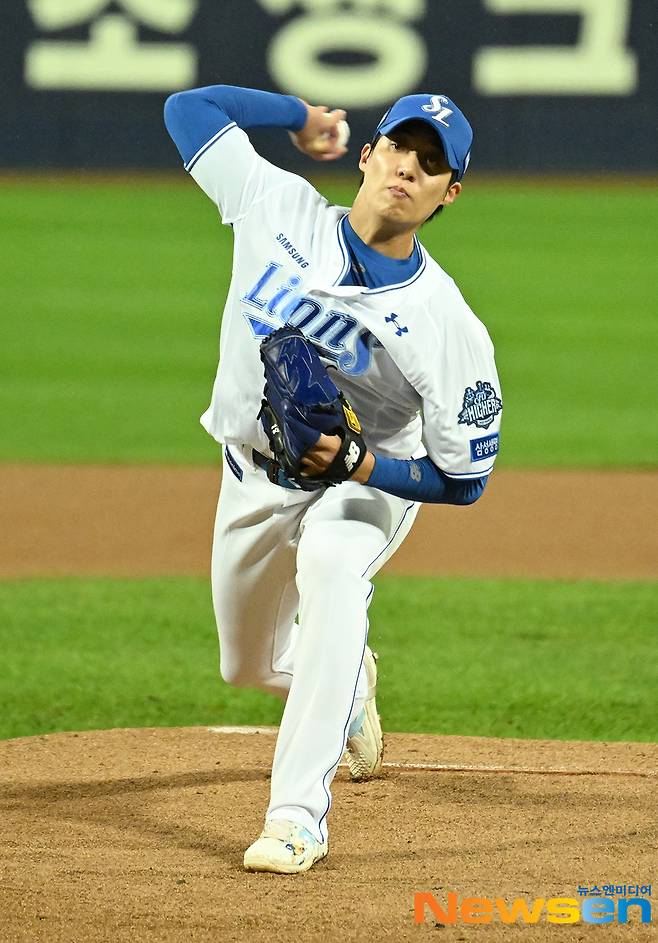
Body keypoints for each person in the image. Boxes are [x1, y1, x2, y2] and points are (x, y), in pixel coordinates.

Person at [163, 84, 502, 874]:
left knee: (331, 568)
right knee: (247, 665)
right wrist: (301, 117)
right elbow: (188, 110)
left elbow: (465, 478)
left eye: (430, 163)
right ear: (367, 155)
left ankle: (295, 818)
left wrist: (363, 465)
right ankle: (349, 684)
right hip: (252, 473)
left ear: (449, 193)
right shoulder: (276, 205)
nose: (407, 168)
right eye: (399, 147)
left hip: (367, 483)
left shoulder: (446, 324)